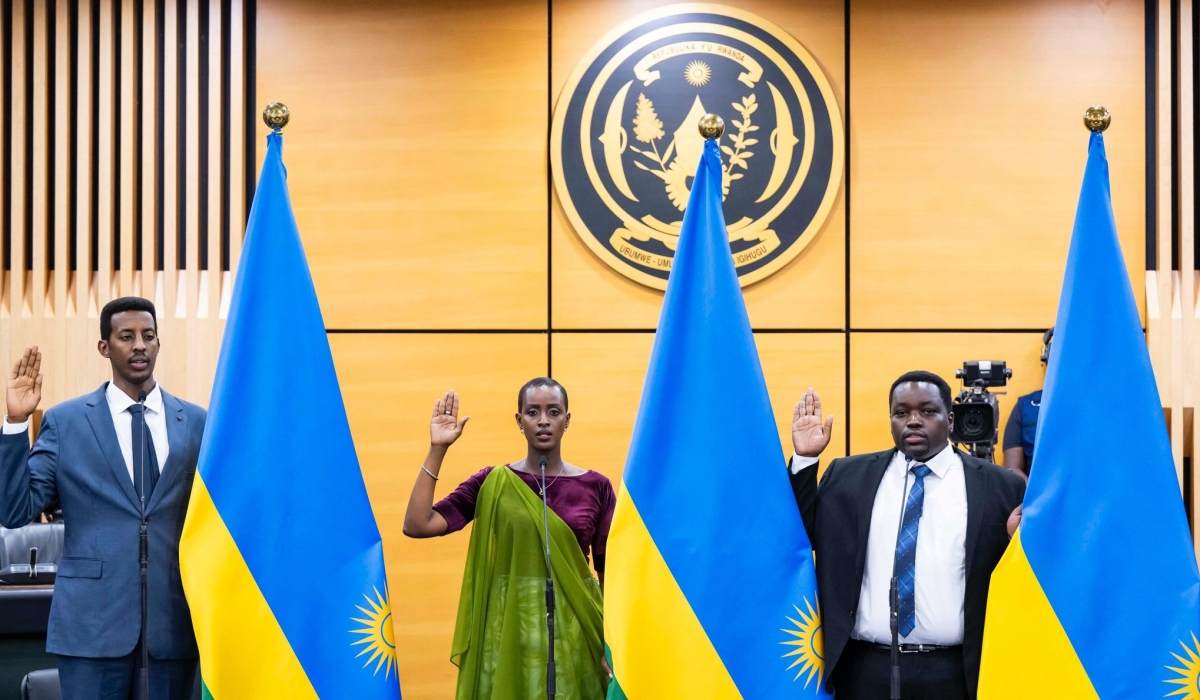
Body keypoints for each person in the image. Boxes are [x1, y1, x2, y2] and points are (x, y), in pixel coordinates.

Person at [1, 297, 206, 699]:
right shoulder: (66, 422)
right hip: (91, 628)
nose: (139, 346)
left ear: (159, 344)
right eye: (126, 337)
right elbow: (14, 510)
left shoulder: (196, 422)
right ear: (104, 347)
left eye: (148, 336)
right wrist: (14, 423)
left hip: (173, 627)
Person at [788, 371, 1024, 700]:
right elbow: (799, 537)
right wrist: (805, 459)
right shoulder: (848, 476)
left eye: (927, 411)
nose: (913, 421)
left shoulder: (1000, 486)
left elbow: (1022, 580)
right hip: (865, 668)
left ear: (950, 418)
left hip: (958, 671)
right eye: (902, 413)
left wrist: (1019, 543)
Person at [402, 378, 613, 700]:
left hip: (578, 629)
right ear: (519, 420)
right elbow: (418, 524)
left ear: (567, 420)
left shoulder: (596, 486)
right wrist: (437, 450)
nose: (543, 420)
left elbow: (609, 573)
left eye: (553, 412)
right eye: (533, 412)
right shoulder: (493, 482)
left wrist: (612, 644)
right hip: (509, 632)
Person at [1002, 327, 1053, 478]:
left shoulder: (1094, 406)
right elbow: (1013, 469)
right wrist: (1033, 498)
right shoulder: (1026, 405)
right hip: (1036, 498)